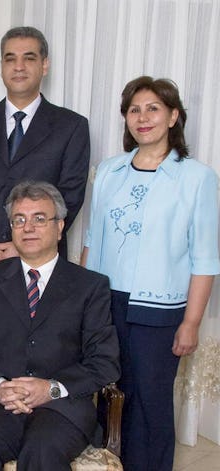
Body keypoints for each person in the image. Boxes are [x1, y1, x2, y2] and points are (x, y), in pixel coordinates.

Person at [82, 76, 220, 471]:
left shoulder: (197, 178)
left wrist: (191, 322)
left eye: (153, 108)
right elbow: (93, 240)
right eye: (134, 109)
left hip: (160, 307)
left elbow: (205, 258)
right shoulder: (109, 171)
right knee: (110, 395)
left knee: (149, 400)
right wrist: (83, 305)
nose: (143, 117)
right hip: (107, 303)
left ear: (174, 116)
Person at [0, 181, 120, 470]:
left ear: (60, 226)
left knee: (42, 452)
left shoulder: (90, 287)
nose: (28, 228)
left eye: (39, 218)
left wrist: (50, 389)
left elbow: (105, 362)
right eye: (19, 220)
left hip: (61, 407)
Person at [0, 26, 90, 283]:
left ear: (44, 65)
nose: (19, 66)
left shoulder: (71, 126)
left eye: (29, 58)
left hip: (41, 269)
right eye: (10, 58)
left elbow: (69, 198)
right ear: (1, 66)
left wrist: (20, 246)